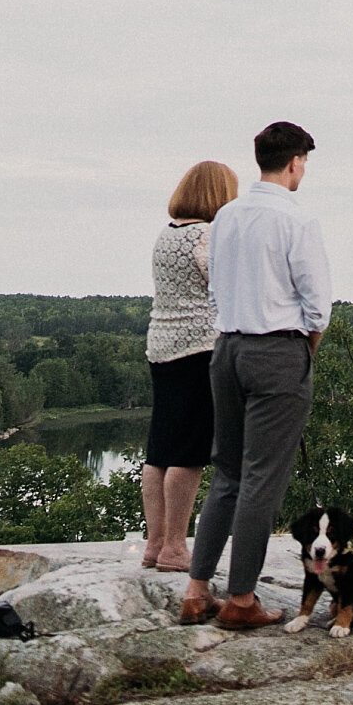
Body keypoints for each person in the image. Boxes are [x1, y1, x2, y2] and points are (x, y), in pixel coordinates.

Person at [179, 122, 331, 630]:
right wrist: (302, 354)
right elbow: (317, 307)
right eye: (304, 162)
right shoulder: (296, 220)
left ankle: (197, 591)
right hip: (276, 351)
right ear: (294, 163)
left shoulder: (226, 217)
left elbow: (216, 291)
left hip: (227, 349)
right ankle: (242, 600)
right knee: (262, 481)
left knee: (228, 474)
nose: (303, 170)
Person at [140, 160, 239, 572]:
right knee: (190, 451)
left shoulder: (168, 234)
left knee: (160, 447)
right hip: (199, 349)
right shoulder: (208, 236)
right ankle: (177, 547)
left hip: (161, 345)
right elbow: (226, 289)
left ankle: (155, 542)